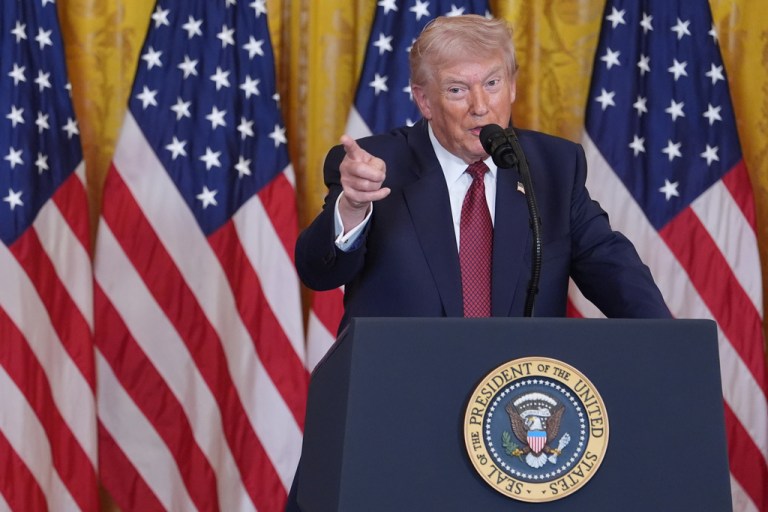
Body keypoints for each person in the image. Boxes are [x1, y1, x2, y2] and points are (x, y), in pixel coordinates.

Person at [294, 14, 671, 336]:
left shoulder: (553, 165)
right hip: (402, 397)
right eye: (458, 90)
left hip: (513, 404)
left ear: (512, 85)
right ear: (424, 100)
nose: (480, 107)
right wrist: (355, 206)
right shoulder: (380, 165)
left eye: (492, 84)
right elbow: (318, 273)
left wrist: (669, 340)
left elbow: (611, 267)